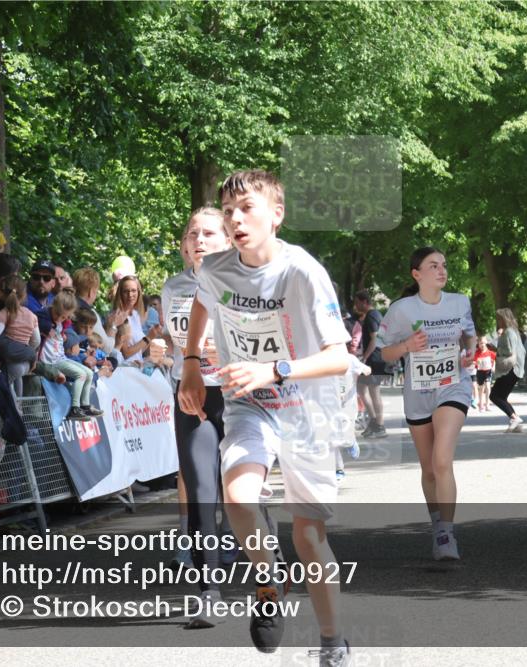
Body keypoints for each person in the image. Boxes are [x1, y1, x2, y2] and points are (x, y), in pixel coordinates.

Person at [178, 170, 351, 663]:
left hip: (308, 410)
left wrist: (273, 369)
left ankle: (332, 642)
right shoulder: (216, 269)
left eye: (246, 208)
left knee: (309, 536)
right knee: (238, 497)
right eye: (228, 210)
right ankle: (269, 579)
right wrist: (191, 364)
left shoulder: (303, 271)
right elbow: (201, 305)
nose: (235, 219)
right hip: (250, 405)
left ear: (277, 215)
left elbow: (339, 357)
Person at [378, 246, 476, 561]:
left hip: (453, 386)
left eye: (443, 265)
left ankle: (447, 534)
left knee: (441, 460)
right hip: (418, 392)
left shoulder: (460, 302)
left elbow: (470, 337)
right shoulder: (401, 310)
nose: (441, 270)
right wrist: (407, 345)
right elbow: (383, 352)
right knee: (429, 469)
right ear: (416, 274)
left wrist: (469, 353)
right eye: (433, 266)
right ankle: (437, 527)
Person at [161, 207, 234, 627]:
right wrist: (167, 352)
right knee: (201, 488)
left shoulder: (244, 282)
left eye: (208, 233)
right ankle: (209, 591)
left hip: (239, 396)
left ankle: (270, 570)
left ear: (228, 241)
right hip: (192, 394)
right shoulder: (173, 287)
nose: (199, 240)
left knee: (240, 492)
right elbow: (175, 344)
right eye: (193, 233)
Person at [35, 291, 102, 421]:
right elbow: (39, 320)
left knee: (89, 373)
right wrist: (49, 328)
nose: (59, 318)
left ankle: (85, 406)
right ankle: (74, 408)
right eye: (57, 314)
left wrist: (63, 333)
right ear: (53, 306)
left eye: (64, 317)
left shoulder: (63, 322)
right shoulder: (43, 317)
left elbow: (63, 329)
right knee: (80, 375)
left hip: (60, 357)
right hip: (50, 360)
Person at [0, 276, 41, 397]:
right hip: (25, 363)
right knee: (18, 382)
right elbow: (36, 340)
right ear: (24, 294)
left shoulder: (6, 312)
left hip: (10, 362)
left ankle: (13, 406)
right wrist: (24, 348)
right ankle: (18, 405)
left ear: (3, 293)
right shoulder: (32, 315)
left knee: (7, 388)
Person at [353, 290, 388, 438]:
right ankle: (373, 420)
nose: (355, 306)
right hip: (373, 358)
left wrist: (365, 357)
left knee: (374, 391)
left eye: (357, 302)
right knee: (361, 389)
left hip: (374, 359)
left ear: (364, 302)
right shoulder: (374, 315)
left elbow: (375, 339)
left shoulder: (372, 315)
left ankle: (379, 425)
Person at [106, 275, 162, 366]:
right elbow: (126, 353)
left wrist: (152, 336)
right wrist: (148, 338)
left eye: (133, 291)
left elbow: (138, 351)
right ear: (120, 294)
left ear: (139, 293)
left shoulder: (135, 314)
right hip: (123, 368)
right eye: (126, 291)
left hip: (137, 366)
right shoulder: (118, 316)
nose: (130, 295)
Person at [488, 308, 526, 432]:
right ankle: (516, 423)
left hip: (510, 368)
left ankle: (514, 418)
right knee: (502, 396)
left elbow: (510, 351)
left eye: (499, 318)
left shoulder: (509, 332)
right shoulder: (513, 331)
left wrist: (496, 349)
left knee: (494, 395)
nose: (498, 321)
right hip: (514, 369)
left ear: (504, 319)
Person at [72, 267, 116, 354]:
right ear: (91, 292)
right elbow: (106, 347)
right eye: (96, 291)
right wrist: (113, 326)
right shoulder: (89, 313)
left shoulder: (67, 305)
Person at [473, 335, 496, 412]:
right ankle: (481, 405)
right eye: (480, 343)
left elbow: (495, 359)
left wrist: (493, 367)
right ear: (478, 344)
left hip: (488, 371)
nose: (482, 345)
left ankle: (487, 405)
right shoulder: (477, 353)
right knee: (481, 388)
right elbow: (473, 362)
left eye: (483, 343)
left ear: (486, 342)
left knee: (488, 387)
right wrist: (476, 362)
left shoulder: (490, 352)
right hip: (480, 372)